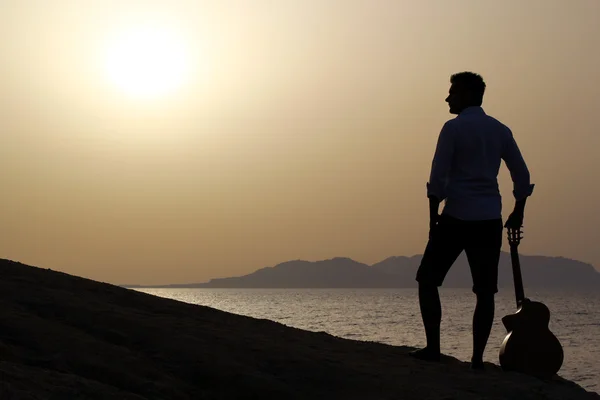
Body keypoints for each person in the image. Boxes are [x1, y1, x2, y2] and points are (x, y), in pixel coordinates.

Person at [409, 72, 534, 370]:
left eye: (452, 92)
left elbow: (437, 176)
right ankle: (477, 359)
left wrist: (432, 220)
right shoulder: (500, 130)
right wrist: (519, 210)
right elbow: (522, 174)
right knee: (485, 291)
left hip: (455, 215)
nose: (447, 97)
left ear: (466, 94)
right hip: (489, 217)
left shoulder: (452, 129)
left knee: (427, 280)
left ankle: (434, 349)